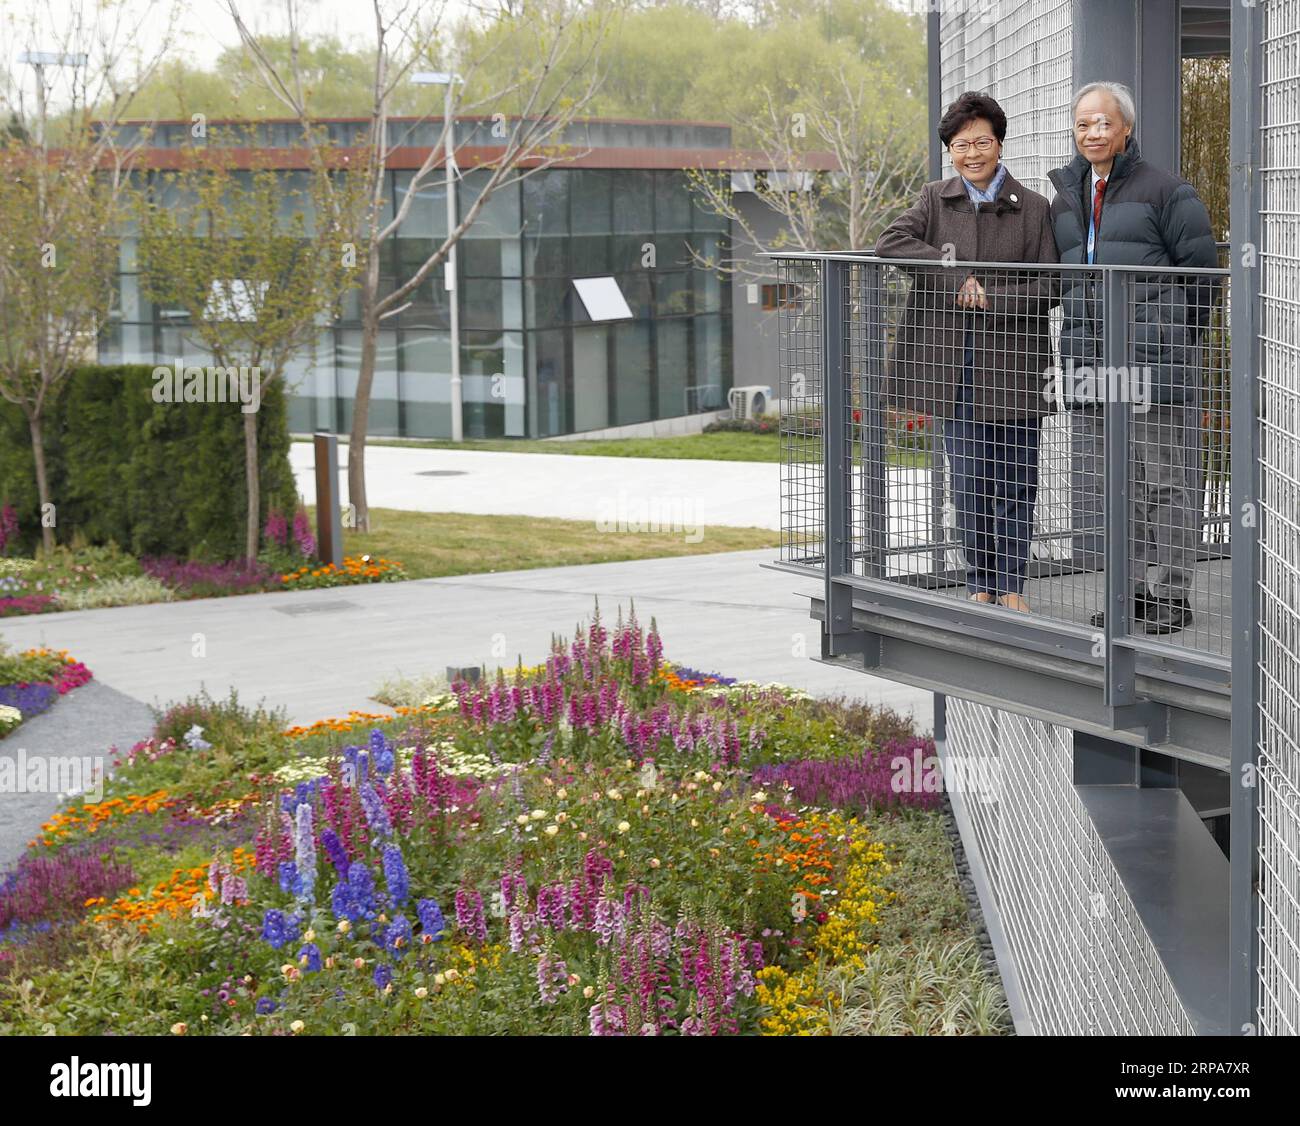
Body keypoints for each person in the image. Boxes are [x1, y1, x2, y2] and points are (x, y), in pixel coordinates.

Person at [876, 90, 1058, 611]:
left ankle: (1013, 585)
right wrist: (957, 278)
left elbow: (1050, 286)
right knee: (970, 480)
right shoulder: (935, 198)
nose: (972, 153)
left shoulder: (1035, 209)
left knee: (1019, 479)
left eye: (982, 141)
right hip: (954, 370)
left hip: (1017, 368)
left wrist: (992, 299)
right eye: (960, 144)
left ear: (999, 143)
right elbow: (890, 242)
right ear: (949, 151)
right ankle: (981, 579)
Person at [1048, 81, 1218, 635]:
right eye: (1083, 124)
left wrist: (1172, 342)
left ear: (1126, 128)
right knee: (1114, 485)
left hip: (1152, 366)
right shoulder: (1066, 195)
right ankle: (1130, 593)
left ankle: (1172, 594)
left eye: (1103, 123)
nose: (1093, 133)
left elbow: (1202, 278)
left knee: (1165, 483)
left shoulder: (1168, 191)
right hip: (1092, 367)